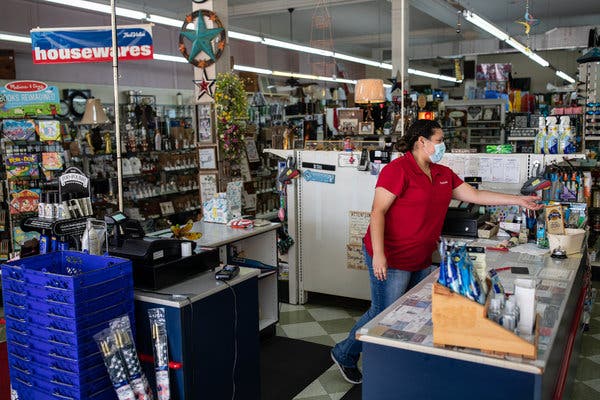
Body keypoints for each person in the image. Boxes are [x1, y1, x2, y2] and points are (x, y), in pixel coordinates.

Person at [330, 119, 542, 384]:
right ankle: (345, 353)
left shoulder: (442, 173)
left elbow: (474, 196)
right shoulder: (398, 170)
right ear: (422, 141)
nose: (444, 145)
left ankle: (404, 361)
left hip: (420, 255)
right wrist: (380, 255)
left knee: (415, 311)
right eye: (440, 140)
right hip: (392, 255)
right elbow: (378, 212)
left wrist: (518, 200)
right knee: (383, 313)